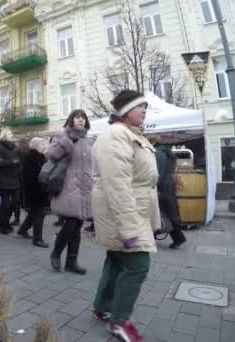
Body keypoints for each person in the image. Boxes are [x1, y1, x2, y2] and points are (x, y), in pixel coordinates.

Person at [91, 90, 159, 342]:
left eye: (146, 106)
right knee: (138, 265)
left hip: (130, 211)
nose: (144, 110)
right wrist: (130, 230)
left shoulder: (128, 134)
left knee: (117, 260)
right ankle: (118, 322)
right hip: (125, 214)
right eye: (140, 106)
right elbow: (118, 186)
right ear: (125, 110)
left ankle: (102, 306)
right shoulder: (115, 135)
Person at [48, 109, 92, 274]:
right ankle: (56, 252)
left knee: (77, 226)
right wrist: (66, 142)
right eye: (77, 118)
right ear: (71, 120)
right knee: (70, 223)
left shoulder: (87, 140)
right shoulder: (64, 136)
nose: (80, 120)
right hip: (69, 186)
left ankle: (72, 262)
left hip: (85, 189)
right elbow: (51, 154)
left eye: (83, 118)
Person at [17, 137, 49, 248]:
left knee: (34, 214)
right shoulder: (31, 158)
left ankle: (22, 230)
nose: (44, 146)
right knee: (39, 214)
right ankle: (37, 239)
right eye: (42, 145)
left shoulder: (40, 157)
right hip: (35, 191)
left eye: (44, 145)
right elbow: (29, 177)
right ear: (35, 146)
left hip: (39, 190)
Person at [154, 141, 187, 249]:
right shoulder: (168, 153)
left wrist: (157, 185)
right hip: (169, 183)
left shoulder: (158, 154)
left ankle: (178, 238)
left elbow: (158, 172)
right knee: (170, 211)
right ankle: (178, 238)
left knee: (164, 212)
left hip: (162, 185)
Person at [0, 128, 21, 235]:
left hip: (14, 178)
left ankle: (6, 222)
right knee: (5, 204)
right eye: (10, 133)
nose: (12, 135)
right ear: (4, 135)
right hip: (4, 179)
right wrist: (12, 162)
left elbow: (19, 160)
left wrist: (18, 166)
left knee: (15, 202)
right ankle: (3, 226)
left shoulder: (14, 146)